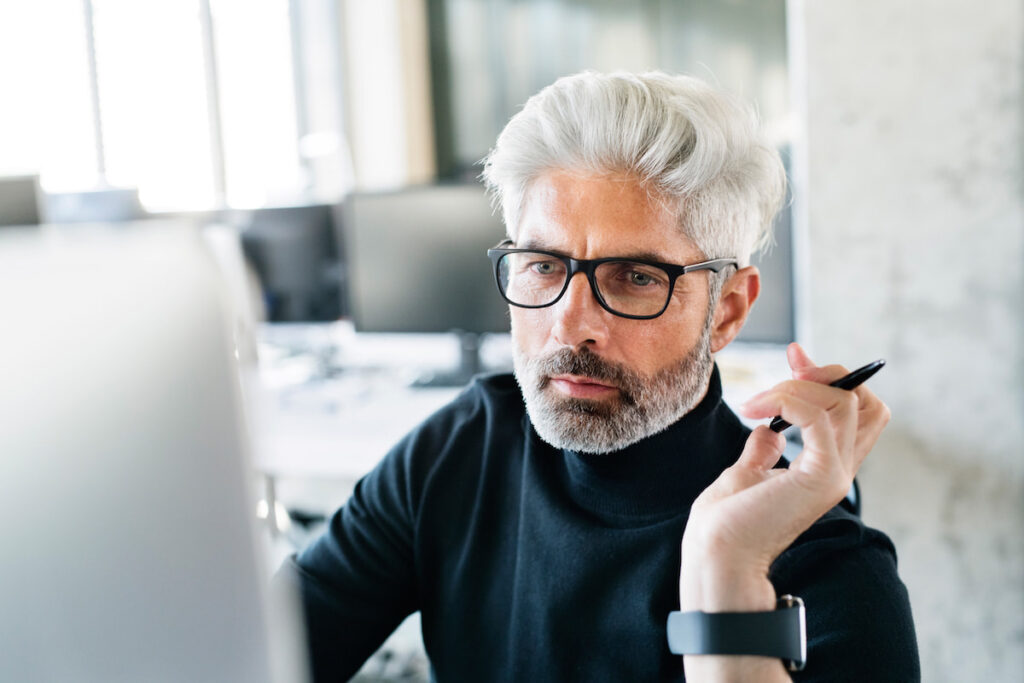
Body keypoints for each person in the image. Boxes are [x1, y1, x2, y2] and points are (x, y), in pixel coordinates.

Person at [278, 71, 919, 681]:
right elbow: (265, 653)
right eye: (542, 266)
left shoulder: (831, 571)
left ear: (726, 311)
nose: (569, 325)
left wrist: (728, 574)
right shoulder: (459, 451)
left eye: (637, 278)